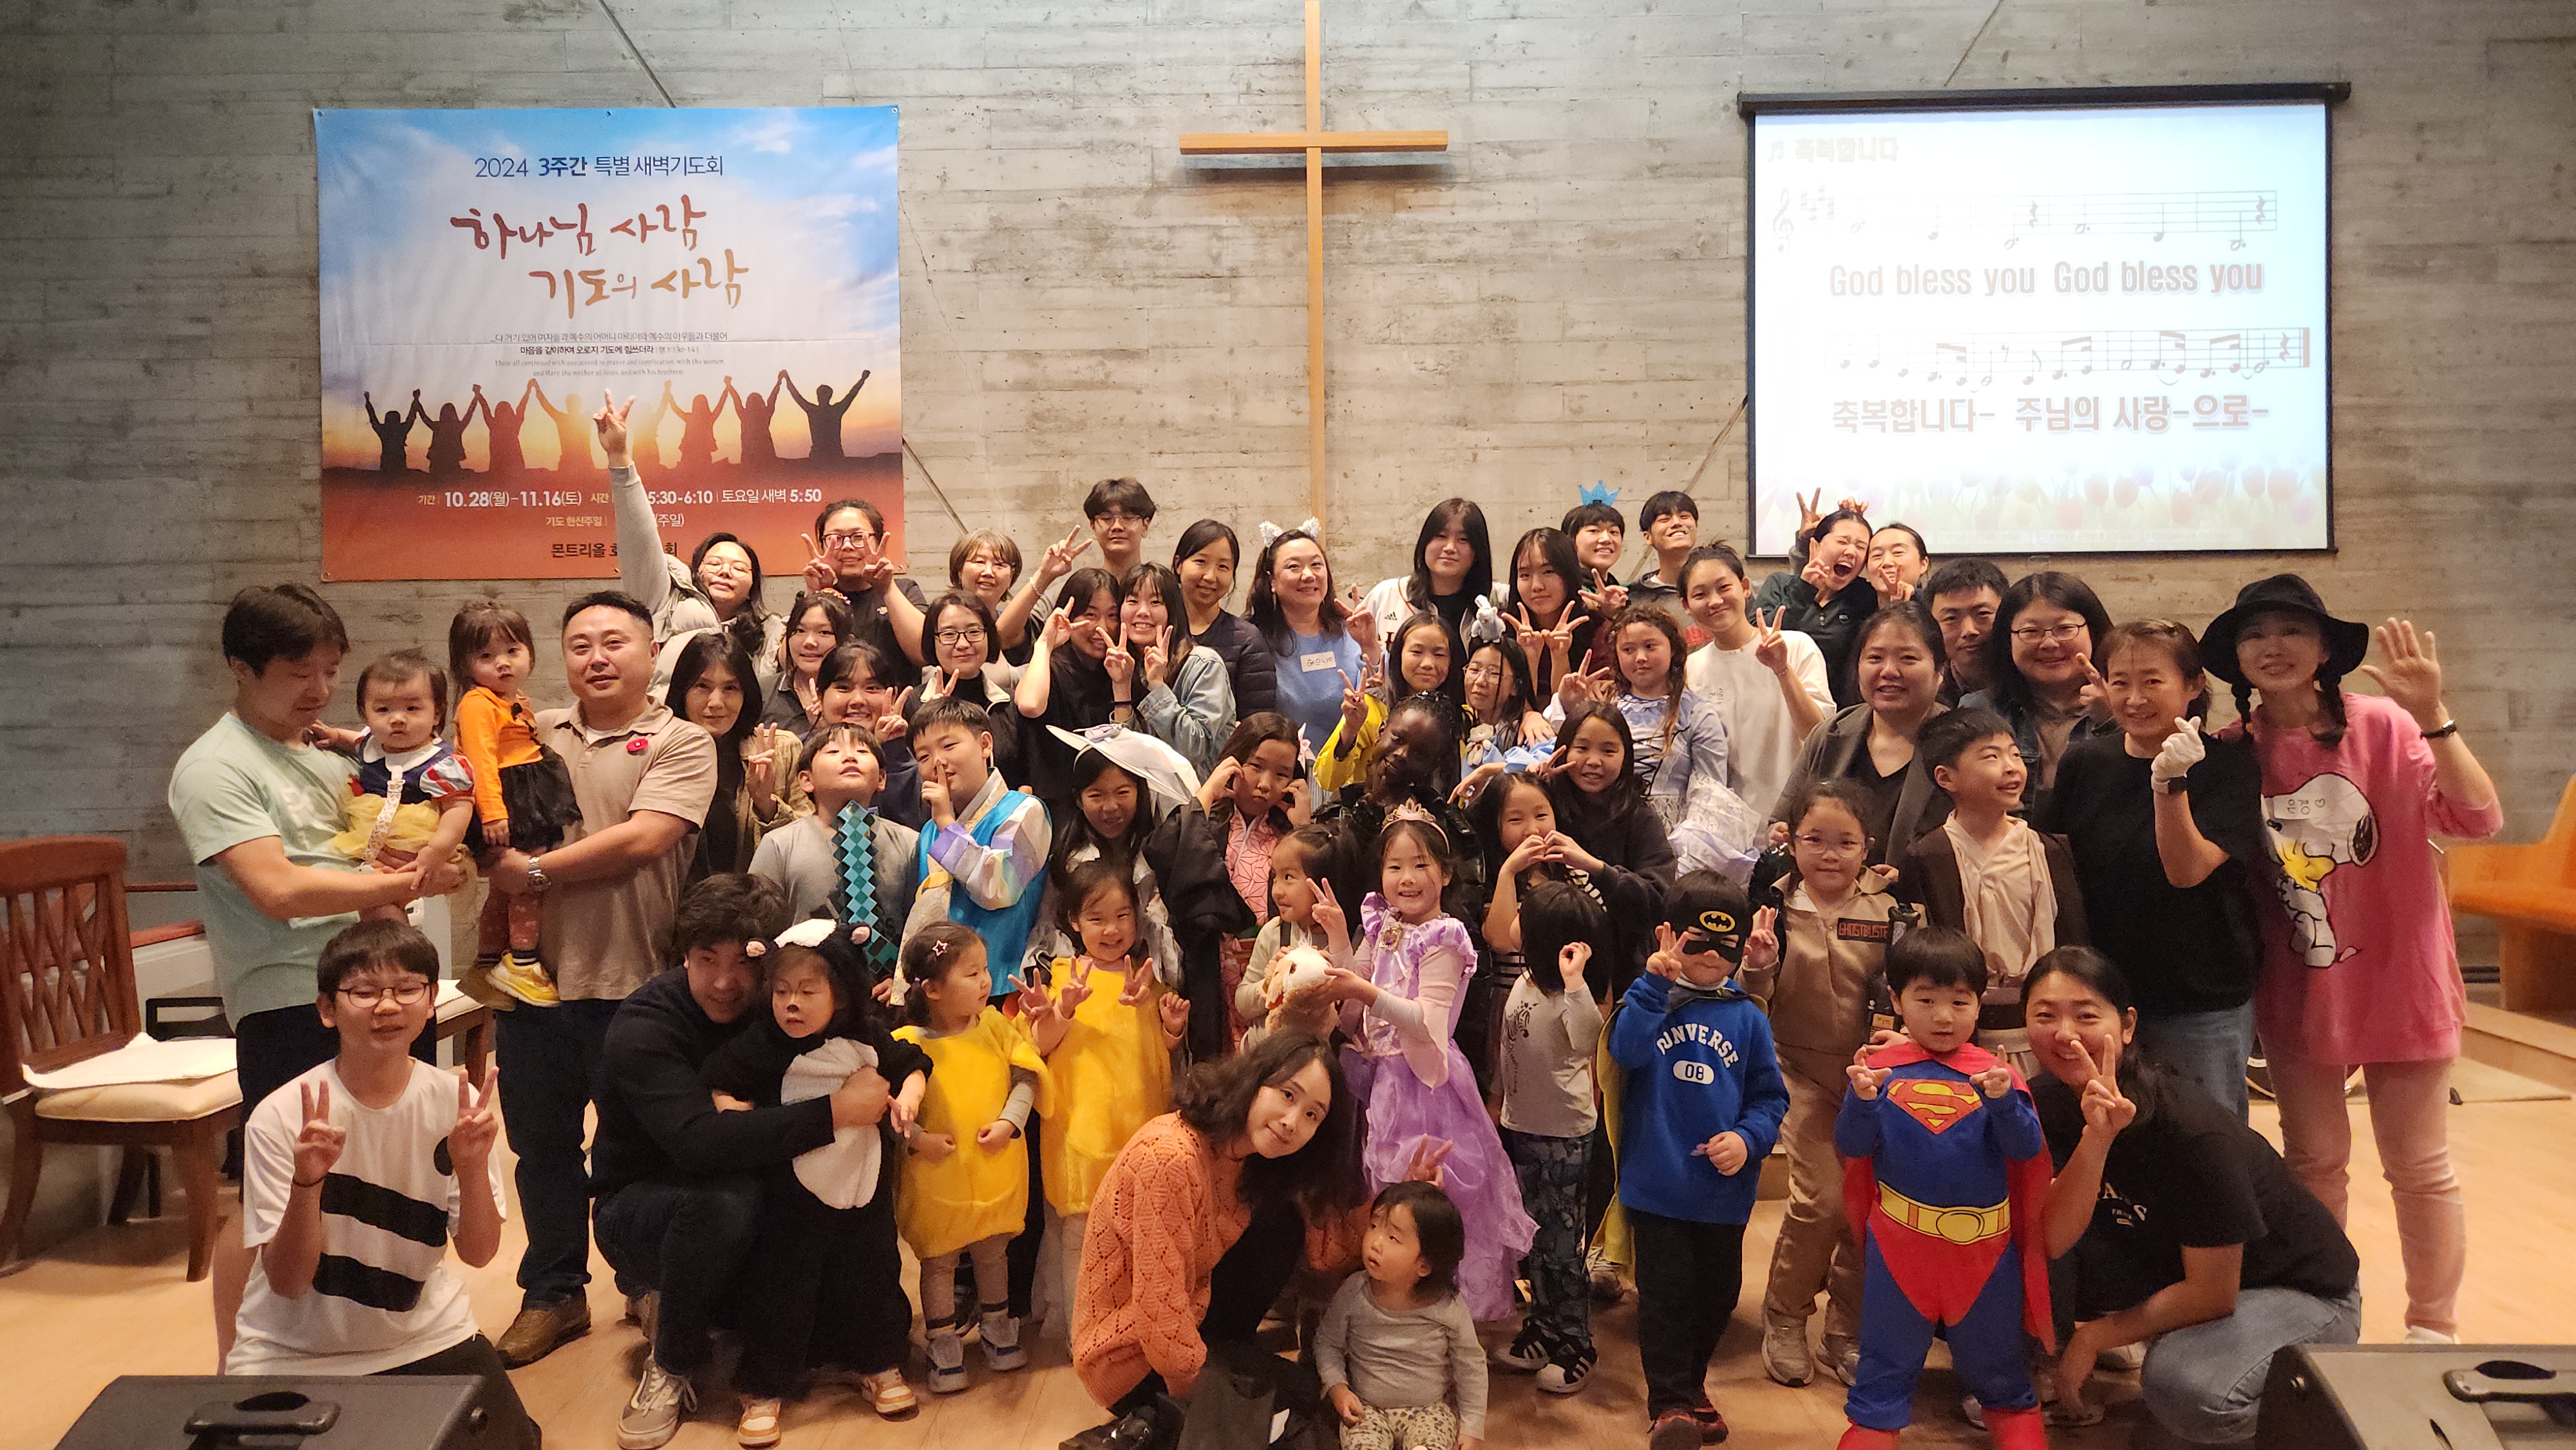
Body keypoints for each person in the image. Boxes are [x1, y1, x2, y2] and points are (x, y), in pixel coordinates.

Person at [170, 585, 462, 1365]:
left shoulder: (333, 754)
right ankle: (240, 1367)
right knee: (273, 1195)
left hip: (383, 987)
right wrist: (402, 882)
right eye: (300, 671)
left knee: (394, 1170)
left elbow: (398, 845)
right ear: (241, 667)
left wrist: (435, 868)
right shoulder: (216, 766)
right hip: (291, 1000)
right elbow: (277, 890)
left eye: (331, 669)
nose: (321, 688)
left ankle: (379, 1343)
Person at [2205, 576, 2501, 1343]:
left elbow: (2477, 816)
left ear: (2324, 648)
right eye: (2253, 633)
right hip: (2298, 982)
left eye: (2290, 630)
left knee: (2419, 1165)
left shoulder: (2386, 725)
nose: (2271, 646)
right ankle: (2322, 1320)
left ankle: (2431, 1327)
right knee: (2313, 1162)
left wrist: (2433, 714)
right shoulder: (2231, 751)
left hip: (2401, 975)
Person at [589, 875, 916, 1447]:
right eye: (705, 959)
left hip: (768, 1190)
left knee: (821, 1246)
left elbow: (879, 1052)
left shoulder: (785, 1005)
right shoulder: (645, 1026)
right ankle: (671, 1363)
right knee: (725, 1203)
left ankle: (744, 1319)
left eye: (744, 962)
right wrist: (837, 1111)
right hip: (648, 1206)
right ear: (682, 956)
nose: (724, 981)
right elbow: (700, 1145)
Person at [483, 590, 718, 1371]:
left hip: (635, 982)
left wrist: (532, 871)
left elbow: (644, 839)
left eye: (615, 641)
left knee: (638, 1149)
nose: (597, 656)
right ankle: (553, 1292)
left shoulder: (682, 740)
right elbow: (457, 781)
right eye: (580, 643)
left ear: (652, 654)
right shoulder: (530, 730)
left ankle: (646, 1283)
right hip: (530, 985)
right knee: (541, 1148)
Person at [2024, 947, 2362, 1444]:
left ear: (2127, 1025)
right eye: (2045, 1016)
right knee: (2013, 1243)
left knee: (2187, 1391)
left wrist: (2094, 1337)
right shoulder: (2043, 1102)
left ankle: (2319, 1412)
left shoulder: (2191, 1130)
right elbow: (2053, 1241)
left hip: (2300, 1293)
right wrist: (2096, 1139)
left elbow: (2213, 1293)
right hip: (2186, 1268)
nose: (2066, 1033)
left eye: (2086, 1016)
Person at [225, 919, 538, 1450]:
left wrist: (470, 1166)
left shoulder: (455, 1104)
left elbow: (480, 1252)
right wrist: (307, 1183)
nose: (387, 1007)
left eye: (407, 989)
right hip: (293, 1353)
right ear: (327, 1009)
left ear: (432, 1000)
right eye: (364, 992)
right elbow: (287, 1282)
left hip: (426, 1337)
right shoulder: (283, 1116)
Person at [1070, 1032, 1373, 1438]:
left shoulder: (1254, 1162)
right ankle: (1155, 1418)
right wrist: (1208, 1408)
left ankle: (1212, 1382)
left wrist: (1391, 1209)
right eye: (1287, 1094)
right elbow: (1159, 1314)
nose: (1292, 1122)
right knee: (1298, 1414)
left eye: (1312, 1115)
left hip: (1196, 1326)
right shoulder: (1170, 1156)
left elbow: (1325, 1252)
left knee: (1283, 1227)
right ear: (1256, 1079)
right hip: (1129, 1358)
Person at [697, 920, 931, 1445]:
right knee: (782, 1287)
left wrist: (910, 1096)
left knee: (872, 1274)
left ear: (840, 993)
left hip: (865, 1190)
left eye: (807, 991)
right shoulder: (763, 1043)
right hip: (790, 1203)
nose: (791, 1004)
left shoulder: (866, 1034)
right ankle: (763, 1387)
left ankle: (878, 1363)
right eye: (781, 991)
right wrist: (730, 1108)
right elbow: (720, 1076)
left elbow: (912, 1062)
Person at [2036, 620, 2270, 1116]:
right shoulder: (2083, 764)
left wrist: (2170, 783)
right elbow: (2050, 863)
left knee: (2206, 1135)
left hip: (2199, 996)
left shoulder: (2228, 766)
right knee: (2110, 1130)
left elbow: (2187, 870)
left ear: (2194, 685)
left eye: (2152, 681)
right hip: (2103, 995)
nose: (2135, 698)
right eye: (2120, 682)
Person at [1835, 927, 2052, 1450]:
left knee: (2001, 1375)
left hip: (1985, 1254)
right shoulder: (1879, 1073)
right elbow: (1852, 1148)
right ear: (1896, 1001)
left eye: (1959, 1001)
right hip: (1900, 1251)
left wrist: (2004, 1103)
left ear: (1980, 1002)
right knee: (1882, 1376)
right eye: (1926, 1000)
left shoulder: (1997, 1074)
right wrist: (1861, 1101)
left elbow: (2027, 1151)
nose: (1943, 1017)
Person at [1321, 809, 1537, 1323]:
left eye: (1420, 865)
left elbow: (1427, 1022)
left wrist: (1362, 991)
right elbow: (1350, 1003)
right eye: (1394, 867)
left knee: (1429, 1200)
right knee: (1384, 1200)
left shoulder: (1445, 937)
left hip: (1424, 1090)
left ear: (1445, 872)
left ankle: (1440, 1314)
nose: (1407, 878)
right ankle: (1392, 1307)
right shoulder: (1384, 925)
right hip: (1377, 1080)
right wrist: (1338, 937)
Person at [1609, 875, 1788, 1450]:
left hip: (1723, 1192)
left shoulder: (1748, 1016)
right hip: (1657, 1184)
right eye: (1697, 942)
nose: (1711, 956)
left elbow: (1771, 1098)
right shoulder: (1649, 999)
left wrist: (1748, 1138)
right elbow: (1625, 1050)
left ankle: (1691, 1385)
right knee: (1665, 1299)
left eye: (1725, 946)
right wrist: (1652, 986)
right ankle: (1669, 1404)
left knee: (1718, 1297)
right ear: (1669, 935)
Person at [1740, 780, 1901, 1390]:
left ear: (1867, 847)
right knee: (1820, 1202)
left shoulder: (1893, 912)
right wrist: (1757, 966)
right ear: (1792, 842)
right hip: (1797, 1071)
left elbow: (1915, 989)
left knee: (1867, 1205)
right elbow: (1750, 1006)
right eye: (1815, 840)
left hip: (1875, 1079)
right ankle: (1785, 1315)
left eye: (1845, 843)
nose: (1829, 854)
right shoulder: (1771, 908)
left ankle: (1847, 1329)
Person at [1028, 862, 1193, 1328]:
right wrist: (1064, 1007)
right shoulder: (1063, 976)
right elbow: (1039, 1044)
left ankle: (1128, 1328)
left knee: (1137, 1232)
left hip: (1138, 1130)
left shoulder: (1147, 979)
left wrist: (1172, 1026)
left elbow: (1158, 1052)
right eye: (1096, 918)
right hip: (1081, 1132)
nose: (1112, 929)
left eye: (1122, 916)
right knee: (1079, 1233)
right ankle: (1080, 1332)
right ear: (1073, 922)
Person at [892, 924, 1047, 1395]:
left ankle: (998, 1326)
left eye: (985, 970)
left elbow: (1027, 1076)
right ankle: (943, 1341)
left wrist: (1010, 1123)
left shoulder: (996, 1026)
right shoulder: (905, 1043)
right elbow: (890, 1110)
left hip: (993, 1168)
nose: (986, 981)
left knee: (993, 1252)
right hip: (936, 1177)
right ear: (932, 989)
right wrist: (918, 1139)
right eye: (973, 973)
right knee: (939, 1261)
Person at [1899, 707, 2090, 1077]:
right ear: (1946, 777)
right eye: (1991, 757)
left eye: (2015, 755)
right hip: (1962, 1033)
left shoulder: (2049, 850)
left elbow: (2074, 941)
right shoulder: (1929, 856)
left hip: (2045, 1028)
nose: (2011, 767)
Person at [1489, 880, 1609, 1395]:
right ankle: (1542, 1327)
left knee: (1561, 1245)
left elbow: (1588, 1039)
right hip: (1523, 1127)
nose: (1515, 922)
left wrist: (1576, 982)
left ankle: (1577, 1343)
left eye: (1525, 916)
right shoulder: (1526, 981)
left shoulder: (1568, 996)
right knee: (1532, 1238)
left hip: (1563, 1137)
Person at [1553, 605, 1757, 879]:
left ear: (1672, 649)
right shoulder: (1605, 705)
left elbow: (1712, 797)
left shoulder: (1697, 714)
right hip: (1604, 832)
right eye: (1628, 649)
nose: (1640, 658)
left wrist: (1680, 865)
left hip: (1671, 841)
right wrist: (1570, 705)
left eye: (1650, 647)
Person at [1151, 712, 1309, 1059]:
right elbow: (1163, 856)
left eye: (1281, 774)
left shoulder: (1288, 831)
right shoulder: (1207, 818)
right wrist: (1206, 794)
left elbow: (1311, 897)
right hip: (1209, 964)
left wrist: (1303, 831)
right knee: (1212, 1058)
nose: (1265, 784)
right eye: (1256, 766)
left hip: (1268, 969)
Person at [601, 397, 782, 689]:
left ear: (753, 587)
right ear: (696, 571)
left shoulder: (769, 632)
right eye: (715, 563)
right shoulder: (664, 601)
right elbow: (640, 537)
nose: (725, 572)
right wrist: (620, 458)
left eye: (739, 568)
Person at [451, 601, 581, 1004]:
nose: (503, 663)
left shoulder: (513, 698)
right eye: (486, 656)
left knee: (504, 888)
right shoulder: (477, 703)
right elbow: (479, 761)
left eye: (512, 650)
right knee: (526, 881)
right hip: (510, 800)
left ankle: (488, 963)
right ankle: (522, 962)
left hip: (522, 791)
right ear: (465, 664)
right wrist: (493, 814)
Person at [1772, 604, 1953, 868]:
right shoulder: (1830, 734)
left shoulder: (1962, 745)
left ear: (1940, 671)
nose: (1888, 671)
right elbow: (1783, 820)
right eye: (1875, 658)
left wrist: (1909, 880)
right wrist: (1782, 834)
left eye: (1907, 658)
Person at [1316, 1182, 1490, 1450]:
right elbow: (1328, 1343)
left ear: (1424, 1265)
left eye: (1393, 1238)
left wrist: (1472, 1427)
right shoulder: (1354, 1291)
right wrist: (1339, 1389)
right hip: (1367, 1409)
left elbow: (1471, 1366)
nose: (1375, 1242)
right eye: (1374, 1226)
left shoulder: (1447, 1306)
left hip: (1430, 1411)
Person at [902, 697, 1054, 992]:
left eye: (948, 746)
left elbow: (998, 890)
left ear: (985, 745)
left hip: (1001, 985)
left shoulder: (1024, 810)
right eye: (923, 757)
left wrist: (947, 824)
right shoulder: (931, 830)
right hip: (938, 993)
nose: (937, 762)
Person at [1019, 740, 1188, 995]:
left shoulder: (1159, 854)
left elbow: (1162, 931)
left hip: (1146, 984)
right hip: (1082, 985)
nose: (1110, 807)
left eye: (1122, 793)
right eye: (1096, 795)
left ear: (1140, 792)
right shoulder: (1066, 862)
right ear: (1079, 799)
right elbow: (1048, 927)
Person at [1681, 543, 1833, 820]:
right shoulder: (1691, 669)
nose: (1714, 601)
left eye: (1724, 588)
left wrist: (1782, 671)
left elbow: (1818, 736)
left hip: (1792, 818)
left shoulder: (1796, 646)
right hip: (1725, 825)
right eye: (1700, 594)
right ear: (1686, 605)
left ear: (1745, 587)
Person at [1538, 703, 1677, 997]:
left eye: (1609, 751)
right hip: (1545, 965)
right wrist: (1519, 779)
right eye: (1582, 748)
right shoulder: (1544, 805)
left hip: (1621, 969)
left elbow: (1658, 901)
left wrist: (1596, 868)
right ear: (1562, 751)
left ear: (1626, 757)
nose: (1594, 761)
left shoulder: (1640, 819)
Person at [323, 650, 476, 910]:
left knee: (406, 895)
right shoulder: (372, 745)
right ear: (365, 715)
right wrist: (335, 736)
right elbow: (354, 740)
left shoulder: (442, 764)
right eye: (383, 710)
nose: (397, 719)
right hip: (368, 837)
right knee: (372, 890)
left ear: (437, 714)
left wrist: (436, 851)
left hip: (420, 843)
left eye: (412, 708)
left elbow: (458, 810)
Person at [1962, 570, 2116, 816]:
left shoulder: (2128, 708)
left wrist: (2113, 720)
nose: (2049, 643)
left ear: (2093, 631)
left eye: (2065, 629)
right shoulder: (1979, 711)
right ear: (2007, 641)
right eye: (2031, 632)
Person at [748, 724, 922, 940]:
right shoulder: (779, 844)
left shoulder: (910, 843)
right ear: (807, 780)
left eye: (862, 751)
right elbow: (756, 927)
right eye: (833, 751)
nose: (850, 757)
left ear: (881, 779)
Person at [667, 634, 798, 881]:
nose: (716, 702)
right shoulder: (660, 752)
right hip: (677, 901)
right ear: (682, 692)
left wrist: (767, 805)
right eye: (702, 686)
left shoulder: (780, 750)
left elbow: (806, 846)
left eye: (730, 688)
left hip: (756, 899)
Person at [1246, 525, 1375, 762]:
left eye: (1316, 565)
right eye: (1293, 567)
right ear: (1272, 581)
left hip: (1355, 770)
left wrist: (1370, 646)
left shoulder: (1352, 632)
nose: (1308, 575)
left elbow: (1384, 696)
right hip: (1283, 774)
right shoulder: (1253, 640)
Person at [1014, 566, 1124, 804]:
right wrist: (1045, 643)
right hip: (1055, 802)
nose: (1102, 627)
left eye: (1113, 616)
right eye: (1090, 615)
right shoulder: (1050, 666)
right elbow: (1030, 705)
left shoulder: (1118, 672)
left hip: (1106, 804)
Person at [1320, 612, 1463, 795]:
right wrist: (1350, 730)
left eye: (1439, 654)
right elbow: (1327, 780)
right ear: (1399, 654)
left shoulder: (1458, 718)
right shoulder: (1370, 707)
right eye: (1417, 652)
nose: (1428, 663)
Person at [1748, 507, 1880, 707]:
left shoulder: (1865, 596)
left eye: (1861, 547)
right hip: (1777, 704)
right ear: (1815, 546)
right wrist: (1804, 590)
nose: (1851, 552)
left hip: (1844, 712)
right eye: (1842, 542)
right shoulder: (1780, 584)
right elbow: (1754, 638)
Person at [1118, 562, 1237, 777]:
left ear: (1172, 610)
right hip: (1149, 795)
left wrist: (1157, 686)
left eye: (1155, 602)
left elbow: (1194, 748)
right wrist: (1121, 686)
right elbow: (1126, 755)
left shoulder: (1204, 664)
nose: (1143, 611)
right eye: (1133, 601)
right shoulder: (1126, 665)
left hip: (1200, 794)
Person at [800, 496, 929, 686]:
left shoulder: (904, 590)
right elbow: (789, 662)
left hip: (897, 702)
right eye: (835, 539)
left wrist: (887, 588)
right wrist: (815, 592)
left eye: (858, 537)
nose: (847, 546)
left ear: (878, 542)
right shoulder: (819, 596)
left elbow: (924, 653)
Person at [1235, 824, 1341, 1048]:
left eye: (1289, 877)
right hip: (1263, 1051)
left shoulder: (1342, 939)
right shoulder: (1273, 932)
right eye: (1275, 877)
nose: (1277, 891)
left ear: (1322, 883)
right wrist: (1270, 983)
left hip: (1312, 1058)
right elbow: (1243, 1003)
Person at [914, 589, 1027, 786]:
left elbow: (1027, 781)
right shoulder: (914, 704)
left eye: (974, 632)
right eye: (949, 634)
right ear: (932, 641)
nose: (963, 644)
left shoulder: (1010, 704)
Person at [813, 641, 927, 829]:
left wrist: (893, 750)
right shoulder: (802, 752)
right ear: (820, 695)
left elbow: (911, 826)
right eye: (843, 688)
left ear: (893, 695)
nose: (858, 700)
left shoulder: (916, 755)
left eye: (872, 688)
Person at [1173, 519, 1281, 716]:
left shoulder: (1247, 640)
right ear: (1178, 564)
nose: (1210, 576)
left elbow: (1258, 722)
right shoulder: (1155, 627)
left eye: (1223, 567)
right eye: (1201, 562)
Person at [1362, 498, 1497, 641]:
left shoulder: (1495, 601)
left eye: (1463, 539)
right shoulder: (1386, 596)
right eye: (1441, 536)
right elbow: (1355, 650)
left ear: (1478, 550)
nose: (1450, 548)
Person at [1504, 527, 1596, 701]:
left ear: (1569, 574)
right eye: (1525, 575)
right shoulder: (1503, 633)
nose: (1536, 586)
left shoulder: (1596, 630)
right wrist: (1528, 658)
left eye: (1548, 572)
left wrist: (1560, 656)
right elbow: (1511, 706)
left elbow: (1567, 707)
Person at [761, 589, 858, 733]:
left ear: (848, 641)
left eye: (824, 632)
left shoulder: (858, 696)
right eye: (800, 631)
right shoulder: (762, 692)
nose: (809, 642)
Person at [1920, 558, 2007, 704]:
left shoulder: (2036, 684)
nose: (1969, 630)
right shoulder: (1926, 697)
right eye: (1951, 618)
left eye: (1983, 614)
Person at [1624, 491, 1702, 639]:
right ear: (1648, 537)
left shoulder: (1720, 586)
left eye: (1684, 516)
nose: (1677, 523)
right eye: (1665, 519)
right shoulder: (1636, 597)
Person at [780, 369, 867, 460]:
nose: (821, 397)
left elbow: (796, 396)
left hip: (824, 455)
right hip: (830, 455)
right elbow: (851, 395)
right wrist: (862, 379)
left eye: (822, 394)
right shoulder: (835, 410)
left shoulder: (815, 411)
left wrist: (787, 379)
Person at [1084, 476, 1158, 578]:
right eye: (1107, 518)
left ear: (1145, 526)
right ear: (1093, 526)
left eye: (1128, 518)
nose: (1117, 526)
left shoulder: (1162, 587)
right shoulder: (1081, 587)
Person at [1560, 498, 1627, 583]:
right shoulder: (1561, 587)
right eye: (1594, 531)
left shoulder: (1622, 588)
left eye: (1613, 532)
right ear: (1571, 539)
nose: (1606, 539)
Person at [1864, 522, 1929, 602]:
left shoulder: (1934, 606)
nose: (1887, 562)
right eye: (1877, 555)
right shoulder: (1855, 605)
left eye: (1898, 552)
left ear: (1923, 564)